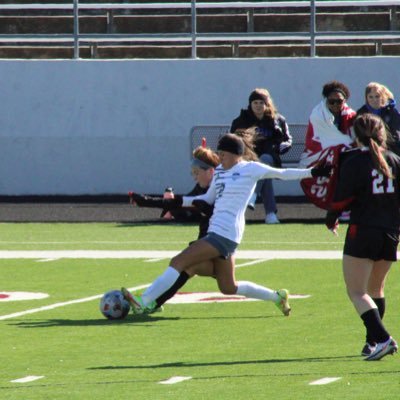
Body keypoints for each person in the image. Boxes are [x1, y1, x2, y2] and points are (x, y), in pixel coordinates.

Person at [122, 133, 331, 317]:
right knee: (228, 287)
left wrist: (313, 172)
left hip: (225, 233)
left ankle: (145, 300)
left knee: (178, 261)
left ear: (235, 154)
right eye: (219, 153)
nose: (219, 157)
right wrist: (152, 201)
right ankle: (277, 297)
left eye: (223, 153)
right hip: (219, 233)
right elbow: (204, 199)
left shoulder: (251, 168)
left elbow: (283, 174)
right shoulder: (220, 171)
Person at [326, 113, 399, 361]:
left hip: (363, 230)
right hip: (390, 232)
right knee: (375, 289)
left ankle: (383, 338)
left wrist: (331, 217)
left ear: (354, 135)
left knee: (356, 292)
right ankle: (372, 342)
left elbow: (342, 197)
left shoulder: (356, 161)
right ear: (382, 133)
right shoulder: (395, 160)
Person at [230, 88, 293, 224]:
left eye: (261, 103)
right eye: (255, 103)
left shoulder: (278, 120)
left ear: (267, 104)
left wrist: (284, 146)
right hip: (248, 160)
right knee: (264, 174)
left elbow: (288, 140)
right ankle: (270, 214)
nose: (258, 106)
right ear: (250, 104)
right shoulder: (241, 120)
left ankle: (252, 195)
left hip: (270, 157)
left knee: (264, 162)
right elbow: (233, 140)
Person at [299, 80, 356, 210]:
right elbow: (327, 140)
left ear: (345, 101)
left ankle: (347, 204)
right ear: (326, 100)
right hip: (318, 155)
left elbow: (354, 136)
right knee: (340, 152)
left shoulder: (351, 115)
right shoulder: (318, 115)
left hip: (344, 155)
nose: (336, 104)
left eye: (339, 101)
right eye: (331, 101)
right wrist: (345, 145)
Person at [356, 82, 400, 154]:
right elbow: (358, 134)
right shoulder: (361, 113)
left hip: (391, 150)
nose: (374, 100)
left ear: (382, 97)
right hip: (367, 150)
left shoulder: (391, 112)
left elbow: (395, 134)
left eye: (377, 96)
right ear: (366, 98)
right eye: (371, 97)